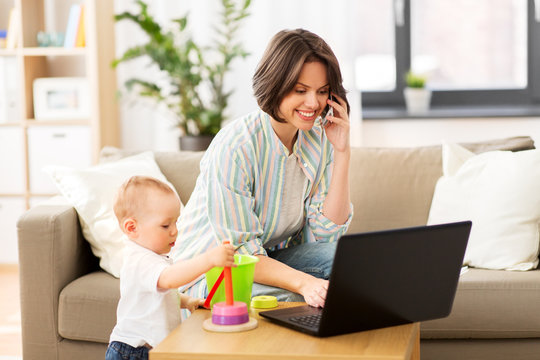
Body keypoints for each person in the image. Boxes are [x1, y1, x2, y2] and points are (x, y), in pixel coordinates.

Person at [173, 28, 353, 308]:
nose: (313, 103)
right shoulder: (236, 147)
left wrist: (342, 152)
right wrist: (306, 283)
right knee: (320, 298)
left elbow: (326, 236)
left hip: (269, 263)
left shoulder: (319, 136)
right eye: (300, 90)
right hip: (214, 274)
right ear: (276, 84)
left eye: (322, 91)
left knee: (349, 266)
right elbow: (241, 252)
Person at [105, 176, 236, 360]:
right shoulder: (140, 260)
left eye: (176, 222)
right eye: (165, 225)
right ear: (132, 228)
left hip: (153, 348)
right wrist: (209, 259)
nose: (175, 230)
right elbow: (170, 279)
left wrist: (186, 301)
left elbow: (161, 292)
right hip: (134, 352)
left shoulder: (154, 257)